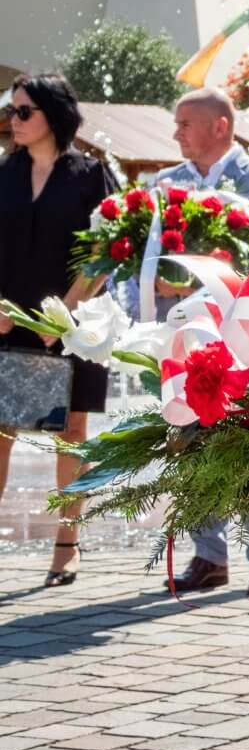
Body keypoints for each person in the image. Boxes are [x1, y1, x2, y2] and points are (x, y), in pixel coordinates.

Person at [157, 87, 249, 598]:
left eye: (184, 123)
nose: (176, 134)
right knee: (187, 440)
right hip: (186, 333)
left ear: (220, 125)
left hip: (242, 336)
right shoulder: (167, 184)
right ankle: (208, 556)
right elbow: (151, 258)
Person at [0, 73, 118, 586]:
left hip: (72, 323)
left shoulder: (91, 175)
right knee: (1, 433)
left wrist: (63, 315)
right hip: (8, 320)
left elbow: (105, 251)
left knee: (71, 434)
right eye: (11, 110)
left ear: (54, 115)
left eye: (25, 111)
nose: (14, 120)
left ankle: (66, 544)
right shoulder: (4, 172)